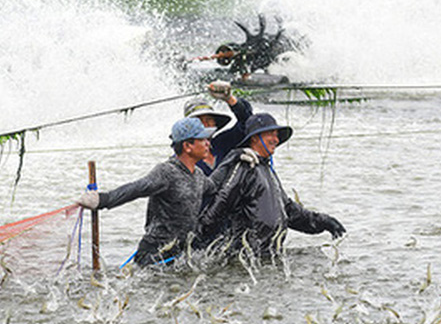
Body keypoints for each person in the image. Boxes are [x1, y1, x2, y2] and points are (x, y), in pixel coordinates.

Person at [195, 113, 346, 259]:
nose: (276, 139)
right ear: (255, 137)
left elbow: (289, 211)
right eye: (271, 134)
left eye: (277, 134)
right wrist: (198, 242)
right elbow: (221, 203)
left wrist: (324, 222)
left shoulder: (266, 169)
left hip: (269, 255)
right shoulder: (244, 167)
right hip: (247, 258)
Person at [77, 117, 212, 266]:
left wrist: (234, 159)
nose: (208, 143)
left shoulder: (198, 175)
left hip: (179, 252)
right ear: (187, 146)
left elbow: (215, 187)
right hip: (155, 252)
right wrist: (103, 200)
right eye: (203, 139)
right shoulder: (167, 172)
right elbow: (138, 188)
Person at [184, 80, 253, 175]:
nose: (205, 123)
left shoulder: (222, 144)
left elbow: (248, 124)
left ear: (215, 123)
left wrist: (229, 99)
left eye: (209, 119)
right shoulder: (182, 158)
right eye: (199, 120)